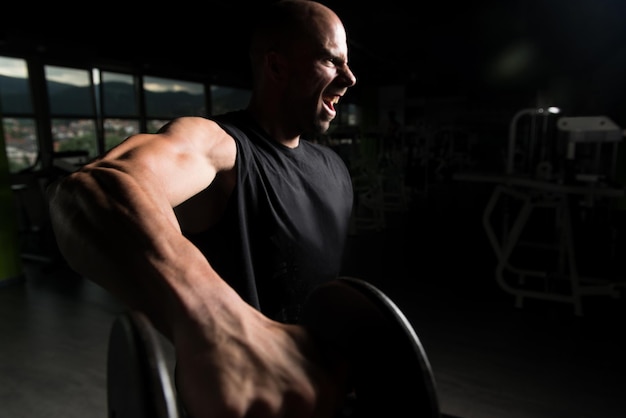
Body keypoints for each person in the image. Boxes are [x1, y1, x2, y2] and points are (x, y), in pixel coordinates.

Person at [47, 1, 357, 417]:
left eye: (347, 64)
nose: (350, 77)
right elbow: (93, 188)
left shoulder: (334, 168)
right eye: (331, 61)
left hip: (315, 392)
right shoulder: (222, 147)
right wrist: (218, 322)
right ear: (278, 67)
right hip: (237, 400)